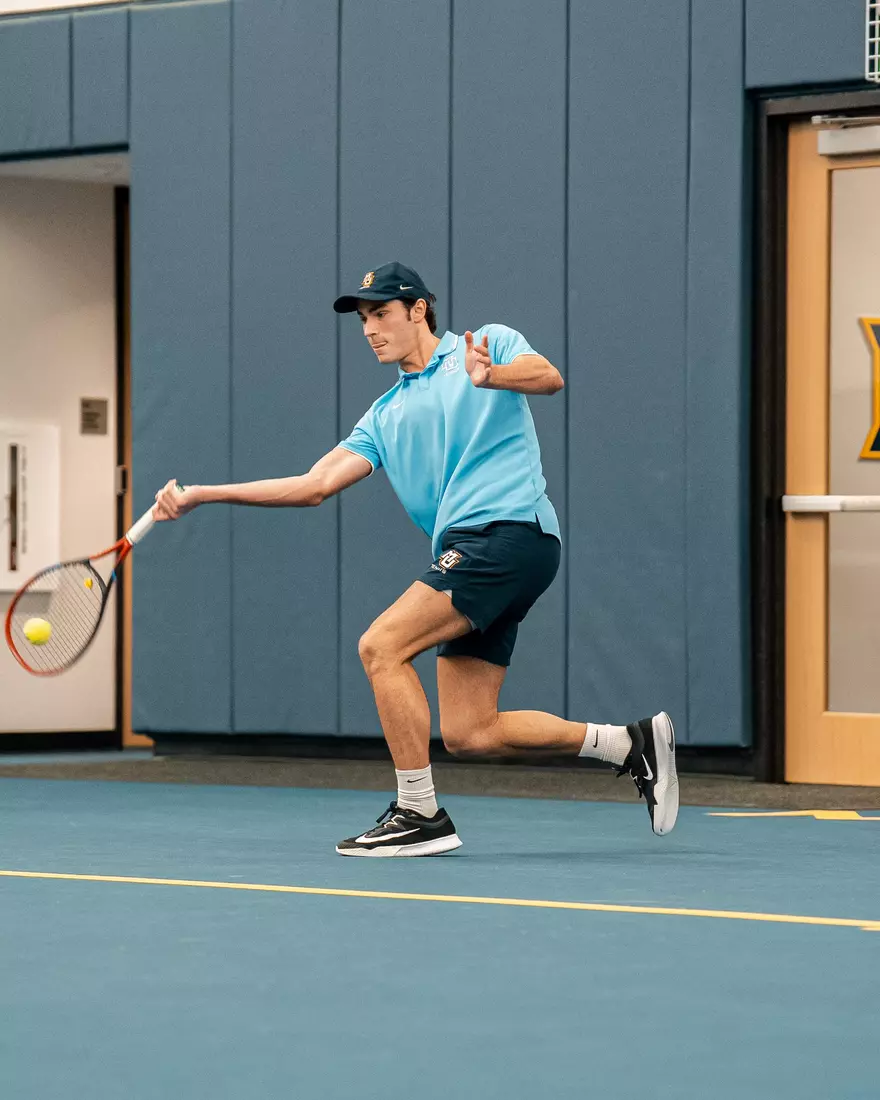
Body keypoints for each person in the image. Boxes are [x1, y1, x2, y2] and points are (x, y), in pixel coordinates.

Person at [154, 260, 679, 856]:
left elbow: (548, 376)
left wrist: (493, 375)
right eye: (363, 320)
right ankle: (628, 743)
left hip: (506, 533)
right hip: (486, 550)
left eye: (381, 314)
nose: (370, 330)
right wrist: (203, 494)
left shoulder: (486, 344)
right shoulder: (383, 415)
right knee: (470, 732)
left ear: (418, 310)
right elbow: (313, 485)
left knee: (381, 646)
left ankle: (419, 813)